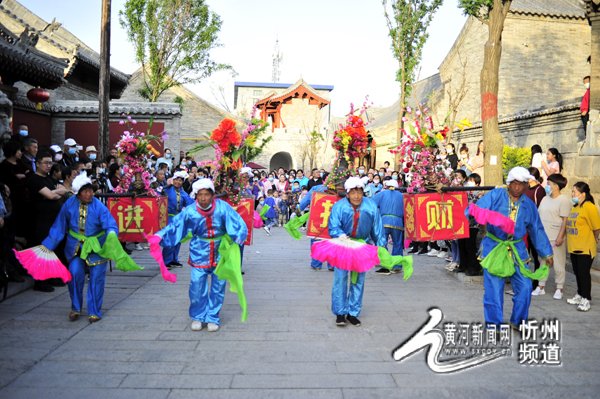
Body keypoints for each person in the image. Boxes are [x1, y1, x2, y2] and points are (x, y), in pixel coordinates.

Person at [154, 178, 248, 331]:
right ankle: (198, 316)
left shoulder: (223, 208)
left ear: (212, 195)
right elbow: (175, 225)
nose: (203, 198)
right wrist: (159, 236)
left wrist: (237, 236)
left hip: (220, 252)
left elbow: (238, 223)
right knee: (196, 286)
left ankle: (213, 316)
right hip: (199, 251)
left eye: (206, 195)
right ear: (196, 196)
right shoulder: (190, 211)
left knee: (218, 287)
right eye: (200, 195)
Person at [470, 167, 553, 328]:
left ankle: (518, 320)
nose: (517, 188)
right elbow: (477, 209)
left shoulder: (529, 205)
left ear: (526, 185)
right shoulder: (496, 195)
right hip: (494, 248)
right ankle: (493, 324)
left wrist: (546, 252)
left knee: (525, 287)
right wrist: (482, 215)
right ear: (508, 184)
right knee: (494, 290)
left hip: (517, 250)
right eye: (514, 184)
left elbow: (536, 229)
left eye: (521, 184)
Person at [40, 173, 125, 322]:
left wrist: (111, 233)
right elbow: (60, 226)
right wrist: (49, 244)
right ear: (78, 194)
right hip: (75, 247)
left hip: (96, 247)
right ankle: (75, 307)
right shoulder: (69, 205)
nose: (89, 194)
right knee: (74, 274)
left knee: (97, 278)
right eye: (85, 191)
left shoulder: (99, 205)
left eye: (91, 190)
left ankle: (94, 311)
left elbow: (109, 223)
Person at [329, 176, 385, 327]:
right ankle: (340, 313)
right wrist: (339, 234)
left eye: (359, 192)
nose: (356, 196)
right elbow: (333, 225)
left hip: (362, 246)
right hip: (342, 245)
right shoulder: (339, 206)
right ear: (347, 193)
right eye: (353, 192)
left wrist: (381, 248)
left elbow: (377, 229)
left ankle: (353, 313)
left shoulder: (371, 206)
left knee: (358, 280)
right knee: (340, 279)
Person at [26, 152, 69, 292]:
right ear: (37, 163)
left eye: (50, 163)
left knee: (54, 248)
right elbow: (50, 195)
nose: (48, 165)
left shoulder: (49, 179)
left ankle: (52, 276)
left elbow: (64, 189)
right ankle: (40, 281)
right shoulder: (34, 179)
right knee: (42, 248)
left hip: (54, 220)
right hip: (40, 219)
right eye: (45, 162)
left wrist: (58, 192)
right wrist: (57, 192)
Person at [532, 174, 571, 300]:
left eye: (549, 184)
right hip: (544, 236)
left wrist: (561, 236)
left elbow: (565, 220)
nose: (547, 186)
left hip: (556, 237)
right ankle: (541, 286)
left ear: (556, 186)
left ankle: (559, 287)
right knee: (543, 261)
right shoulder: (545, 199)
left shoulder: (564, 200)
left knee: (558, 263)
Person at [565, 181, 600, 312]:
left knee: (584, 274)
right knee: (577, 273)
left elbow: (597, 227)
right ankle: (580, 294)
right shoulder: (575, 207)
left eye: (574, 191)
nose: (572, 193)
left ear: (583, 194)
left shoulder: (589, 207)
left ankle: (586, 298)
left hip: (585, 247)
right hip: (574, 246)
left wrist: (595, 238)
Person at [163, 171, 194, 269]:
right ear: (173, 180)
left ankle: (174, 259)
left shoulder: (183, 192)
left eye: (180, 180)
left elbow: (189, 203)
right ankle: (165, 261)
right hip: (169, 217)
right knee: (169, 239)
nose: (178, 182)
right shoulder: (166, 190)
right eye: (176, 180)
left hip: (179, 218)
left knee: (178, 239)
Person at [373, 179, 404, 275]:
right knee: (397, 244)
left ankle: (385, 265)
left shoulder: (382, 194)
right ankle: (397, 266)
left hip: (384, 221)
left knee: (382, 244)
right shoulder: (401, 196)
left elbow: (371, 203)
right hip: (398, 222)